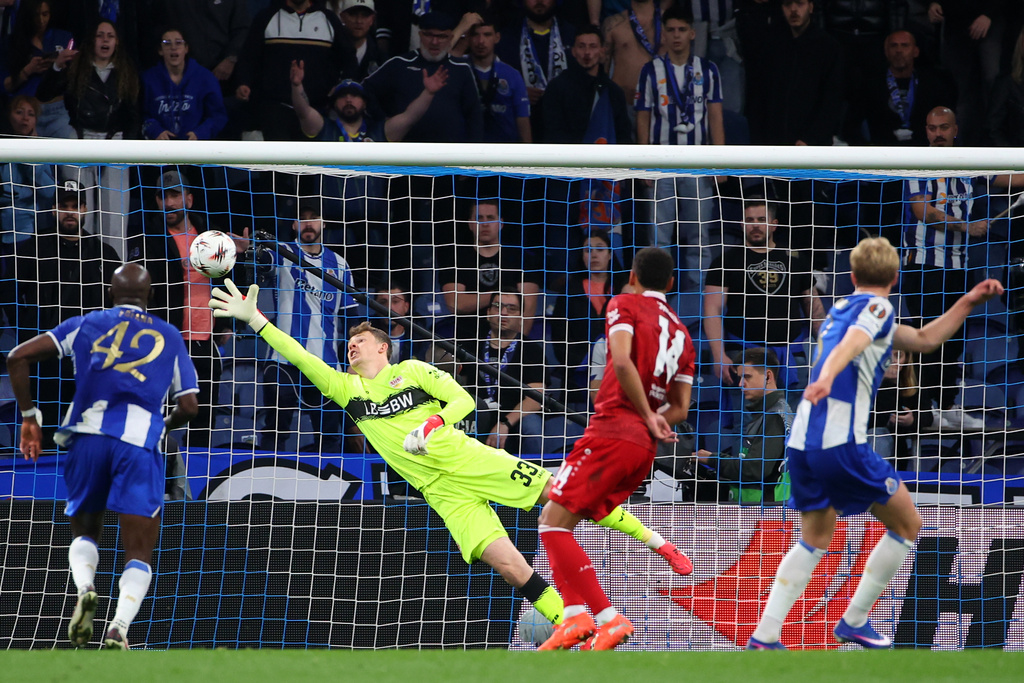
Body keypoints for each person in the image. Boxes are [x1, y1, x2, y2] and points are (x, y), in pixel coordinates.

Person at [209, 278, 695, 631]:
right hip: (438, 490)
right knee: (508, 566)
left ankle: (657, 542)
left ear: (384, 347)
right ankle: (578, 627)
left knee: (564, 495)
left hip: (464, 456)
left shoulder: (415, 371)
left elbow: (462, 400)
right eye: (349, 342)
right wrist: (256, 320)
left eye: (361, 340)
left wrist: (433, 422)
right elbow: (299, 354)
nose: (351, 346)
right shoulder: (345, 388)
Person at [746, 238, 1004, 650]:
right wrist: (827, 375)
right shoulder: (878, 307)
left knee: (814, 537)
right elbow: (852, 346)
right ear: (895, 278)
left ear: (851, 277)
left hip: (804, 442)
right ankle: (855, 619)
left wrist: (968, 301)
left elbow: (922, 339)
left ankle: (765, 634)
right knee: (907, 523)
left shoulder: (839, 310)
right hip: (840, 441)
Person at [6, 263, 199, 649]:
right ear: (150, 297)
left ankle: (86, 588)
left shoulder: (86, 324)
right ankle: (119, 628)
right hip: (138, 443)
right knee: (139, 550)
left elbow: (16, 357)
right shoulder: (170, 335)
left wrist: (30, 417)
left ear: (111, 295)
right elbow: (191, 406)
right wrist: (164, 423)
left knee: (85, 532)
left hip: (88, 438)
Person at [538, 247, 696, 652]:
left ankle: (607, 618)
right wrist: (654, 419)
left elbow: (622, 362)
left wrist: (642, 412)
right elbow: (679, 409)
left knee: (552, 524)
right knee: (559, 521)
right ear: (672, 284)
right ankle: (574, 618)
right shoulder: (682, 333)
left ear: (632, 276)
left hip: (611, 431)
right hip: (642, 448)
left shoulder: (624, 302)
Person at [126, 170, 248, 448]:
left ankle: (196, 486)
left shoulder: (212, 237)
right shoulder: (147, 237)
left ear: (189, 199)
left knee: (203, 419)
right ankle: (161, 483)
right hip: (165, 342)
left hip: (205, 342)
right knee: (157, 419)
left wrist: (240, 258)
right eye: (162, 196)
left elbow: (230, 283)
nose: (168, 203)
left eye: (174, 195)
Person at [902, 106, 997, 431]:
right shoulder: (919, 165)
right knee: (927, 339)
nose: (937, 134)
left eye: (943, 127)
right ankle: (926, 410)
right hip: (923, 266)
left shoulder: (971, 163)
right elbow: (921, 211)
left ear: (955, 130)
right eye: (931, 128)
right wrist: (966, 228)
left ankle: (949, 406)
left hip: (958, 267)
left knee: (954, 341)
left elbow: (1011, 174)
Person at [12, 178, 120, 444]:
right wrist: (25, 325)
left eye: (76, 205)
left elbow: (116, 305)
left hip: (90, 358)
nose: (70, 211)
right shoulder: (31, 249)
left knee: (87, 429)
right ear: (53, 209)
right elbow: (10, 293)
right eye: (64, 205)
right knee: (45, 427)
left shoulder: (104, 253)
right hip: (45, 357)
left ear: (85, 209)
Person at [635, 3, 723, 295]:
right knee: (659, 237)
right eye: (670, 30)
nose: (676, 36)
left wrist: (720, 162)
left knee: (699, 235)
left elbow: (715, 116)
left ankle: (699, 300)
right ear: (664, 34)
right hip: (661, 162)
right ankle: (656, 296)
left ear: (692, 33)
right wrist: (644, 162)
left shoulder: (708, 70)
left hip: (698, 161)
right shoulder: (650, 71)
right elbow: (644, 117)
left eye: (681, 30)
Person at [257, 201, 358, 453]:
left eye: (314, 218)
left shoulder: (340, 264)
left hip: (326, 365)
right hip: (283, 361)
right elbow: (262, 261)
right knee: (275, 429)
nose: (308, 223)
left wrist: (354, 364)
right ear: (294, 225)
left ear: (324, 223)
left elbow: (352, 320)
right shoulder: (282, 252)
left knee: (329, 436)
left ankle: (331, 490)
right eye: (302, 218)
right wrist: (247, 251)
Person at [703, 196, 824, 387]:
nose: (755, 225)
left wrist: (829, 350)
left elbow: (814, 309)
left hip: (790, 357)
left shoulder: (795, 259)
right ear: (742, 224)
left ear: (774, 224)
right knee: (745, 416)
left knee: (790, 417)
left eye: (761, 220)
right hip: (743, 357)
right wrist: (719, 355)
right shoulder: (726, 261)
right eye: (750, 220)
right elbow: (712, 311)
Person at [234, 0, 357, 140]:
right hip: (274, 109)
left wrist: (341, 87)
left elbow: (349, 59)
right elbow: (249, 56)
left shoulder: (328, 19)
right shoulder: (266, 17)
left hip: (317, 109)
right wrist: (244, 82)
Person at [362, 11, 483, 143]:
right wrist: (383, 121)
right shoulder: (400, 63)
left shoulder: (462, 69)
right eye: (429, 35)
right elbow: (365, 90)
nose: (435, 42)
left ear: (450, 37)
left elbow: (474, 115)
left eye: (441, 36)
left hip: (450, 153)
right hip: (405, 150)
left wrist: (473, 151)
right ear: (420, 35)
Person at [694, 347, 792, 503]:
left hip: (765, 514)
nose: (741, 384)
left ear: (768, 376)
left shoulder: (774, 416)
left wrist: (713, 459)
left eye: (747, 377)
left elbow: (755, 469)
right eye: (739, 378)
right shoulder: (767, 412)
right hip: (760, 510)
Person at [437, 198, 544, 340]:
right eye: (479, 218)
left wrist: (514, 347)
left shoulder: (523, 258)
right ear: (470, 224)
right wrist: (498, 297)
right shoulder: (455, 258)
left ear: (501, 223)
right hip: (467, 340)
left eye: (490, 218)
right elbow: (455, 304)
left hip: (509, 342)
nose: (485, 223)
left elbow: (527, 310)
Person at [746, 0, 843, 147]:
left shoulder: (828, 48)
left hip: (813, 146)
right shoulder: (770, 46)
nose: (793, 10)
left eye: (799, 3)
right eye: (787, 4)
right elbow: (758, 97)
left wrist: (810, 139)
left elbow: (832, 101)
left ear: (810, 7)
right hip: (771, 146)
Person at [290, 58, 448, 142]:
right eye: (343, 96)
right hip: (329, 204)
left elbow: (410, 117)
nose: (348, 99)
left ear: (365, 103)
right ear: (334, 103)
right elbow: (303, 112)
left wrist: (428, 93)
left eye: (354, 95)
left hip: (373, 204)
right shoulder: (323, 129)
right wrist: (296, 86)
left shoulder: (380, 132)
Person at [854, 29, 955, 147]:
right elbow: (852, 124)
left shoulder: (933, 84)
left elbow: (948, 124)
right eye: (893, 46)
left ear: (915, 51)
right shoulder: (870, 85)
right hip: (881, 155)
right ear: (886, 52)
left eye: (904, 45)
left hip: (924, 154)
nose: (898, 50)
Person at [541, 25, 632, 144]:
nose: (587, 53)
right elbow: (551, 132)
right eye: (581, 46)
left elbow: (623, 137)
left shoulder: (613, 92)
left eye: (593, 46)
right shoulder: (557, 87)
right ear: (573, 51)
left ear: (602, 51)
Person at [3, 0, 75, 138]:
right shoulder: (11, 43)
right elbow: (5, 85)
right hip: (25, 112)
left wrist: (58, 66)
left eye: (45, 14)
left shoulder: (63, 38)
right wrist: (28, 70)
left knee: (70, 149)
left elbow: (75, 77)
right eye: (36, 15)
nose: (41, 20)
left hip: (57, 110)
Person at [141, 28, 228, 141]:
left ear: (186, 48)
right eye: (167, 43)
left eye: (178, 43)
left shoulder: (205, 78)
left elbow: (218, 115)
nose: (173, 48)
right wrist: (155, 130)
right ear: (160, 50)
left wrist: (200, 133)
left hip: (196, 150)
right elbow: (140, 114)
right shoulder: (147, 79)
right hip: (159, 149)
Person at [0, 95, 56, 245]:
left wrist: (30, 155)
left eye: (31, 114)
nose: (25, 118)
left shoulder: (40, 151)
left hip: (25, 229)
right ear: (8, 116)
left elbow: (49, 191)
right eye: (19, 112)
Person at [467, 17, 531, 143]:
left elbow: (523, 119)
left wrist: (528, 157)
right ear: (467, 38)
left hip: (504, 151)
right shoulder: (459, 69)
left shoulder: (512, 74)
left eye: (487, 35)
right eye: (475, 35)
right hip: (466, 150)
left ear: (497, 37)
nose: (481, 41)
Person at [602, 0, 665, 111]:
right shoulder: (612, 24)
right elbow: (602, 70)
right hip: (622, 106)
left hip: (662, 107)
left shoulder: (671, 23)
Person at [337, 0, 382, 80]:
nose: (359, 21)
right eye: (353, 14)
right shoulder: (330, 53)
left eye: (365, 15)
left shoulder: (380, 58)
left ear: (372, 19)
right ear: (342, 17)